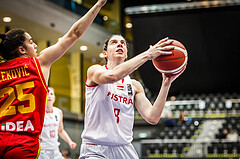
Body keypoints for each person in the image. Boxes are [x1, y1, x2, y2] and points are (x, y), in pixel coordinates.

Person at [0, 0, 107, 158]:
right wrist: (98, 5)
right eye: (31, 42)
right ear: (21, 49)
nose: (35, 45)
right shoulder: (39, 63)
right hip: (23, 143)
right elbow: (74, 34)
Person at [79, 35, 186, 158]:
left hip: (124, 148)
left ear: (126, 55)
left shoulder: (134, 85)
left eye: (123, 43)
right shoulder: (94, 71)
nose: (120, 44)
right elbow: (112, 76)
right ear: (105, 53)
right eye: (114, 42)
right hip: (96, 148)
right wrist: (147, 54)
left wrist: (166, 84)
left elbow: (153, 117)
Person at [39, 87, 77, 159]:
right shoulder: (39, 113)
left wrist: (70, 142)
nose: (49, 96)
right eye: (47, 94)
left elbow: (61, 130)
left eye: (51, 94)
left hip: (55, 149)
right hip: (43, 150)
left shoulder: (58, 112)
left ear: (54, 97)